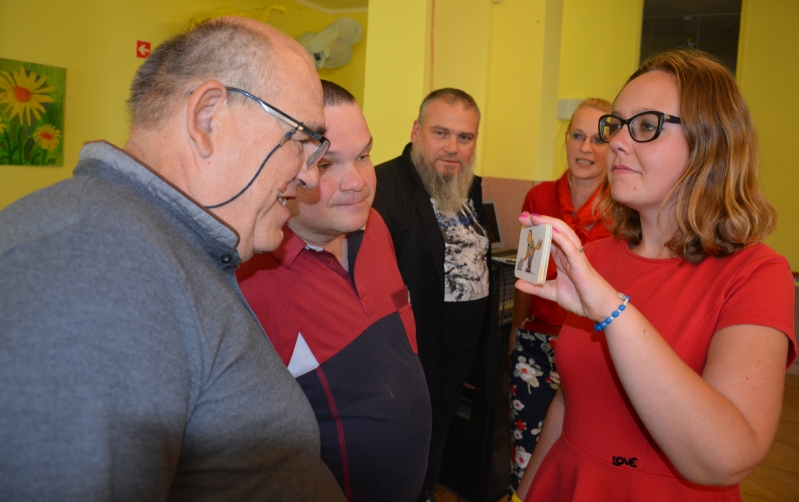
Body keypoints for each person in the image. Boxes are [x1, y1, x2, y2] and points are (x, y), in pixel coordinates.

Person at [0, 18, 347, 501]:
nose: (310, 176)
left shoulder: (148, 245)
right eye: (302, 139)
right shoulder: (96, 266)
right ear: (207, 118)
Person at [513, 49, 797, 502]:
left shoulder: (756, 273)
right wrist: (524, 494)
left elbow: (727, 456)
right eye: (617, 125)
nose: (616, 143)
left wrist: (612, 310)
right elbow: (570, 401)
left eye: (646, 126)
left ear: (710, 142)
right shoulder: (596, 257)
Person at [237, 80, 431, 502]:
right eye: (327, 164)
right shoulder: (249, 276)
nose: (358, 182)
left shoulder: (374, 227)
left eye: (363, 156)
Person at [373, 88, 496, 502]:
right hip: (409, 356)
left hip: (455, 361)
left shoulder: (468, 186)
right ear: (416, 131)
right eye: (441, 133)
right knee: (401, 452)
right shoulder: (384, 186)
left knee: (436, 439)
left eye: (465, 137)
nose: (453, 147)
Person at [507, 98, 612, 493]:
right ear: (565, 139)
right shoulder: (540, 198)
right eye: (577, 136)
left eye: (598, 139)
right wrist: (517, 328)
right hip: (538, 340)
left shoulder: (624, 209)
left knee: (582, 450)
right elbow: (526, 272)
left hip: (595, 346)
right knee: (526, 449)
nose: (586, 148)